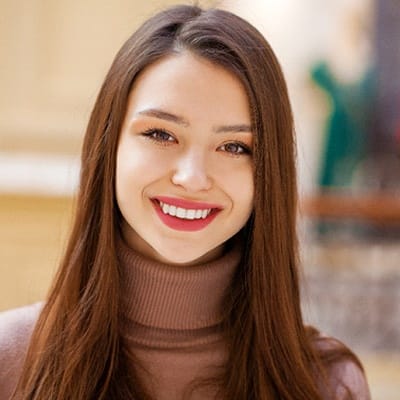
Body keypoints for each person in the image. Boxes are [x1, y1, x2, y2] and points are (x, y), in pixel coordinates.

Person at [0, 5, 370, 400]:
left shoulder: (328, 384)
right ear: (110, 145)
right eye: (161, 134)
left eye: (233, 146)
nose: (192, 177)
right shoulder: (11, 360)